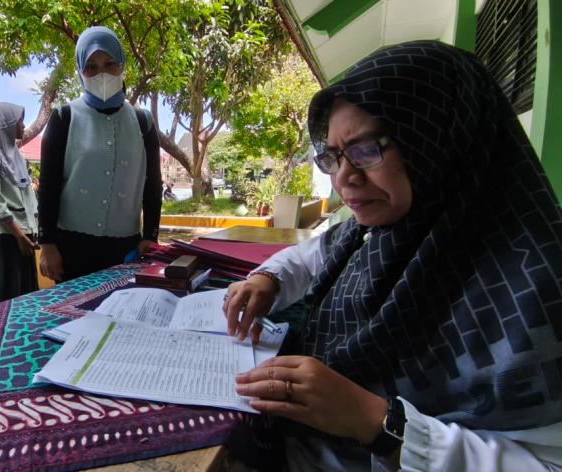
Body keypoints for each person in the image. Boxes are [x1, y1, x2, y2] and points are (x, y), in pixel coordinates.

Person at [224, 41, 562, 470]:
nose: (344, 177)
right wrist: (267, 281)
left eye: (367, 149)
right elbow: (315, 254)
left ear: (440, 139)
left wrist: (377, 422)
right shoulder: (390, 228)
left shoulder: (538, 290)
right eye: (333, 156)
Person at [38, 26, 162, 282]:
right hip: (71, 247)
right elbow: (48, 185)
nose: (102, 73)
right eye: (91, 67)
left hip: (126, 248)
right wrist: (46, 243)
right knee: (73, 316)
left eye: (109, 63)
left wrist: (151, 235)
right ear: (80, 71)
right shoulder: (64, 117)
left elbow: (153, 184)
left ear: (122, 65)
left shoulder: (142, 122)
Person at [0, 102, 39, 305]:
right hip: (7, 237)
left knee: (24, 297)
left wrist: (32, 229)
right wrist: (19, 234)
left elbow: (27, 198)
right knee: (6, 297)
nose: (22, 125)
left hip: (22, 236)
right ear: (5, 124)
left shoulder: (16, 155)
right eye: (18, 121)